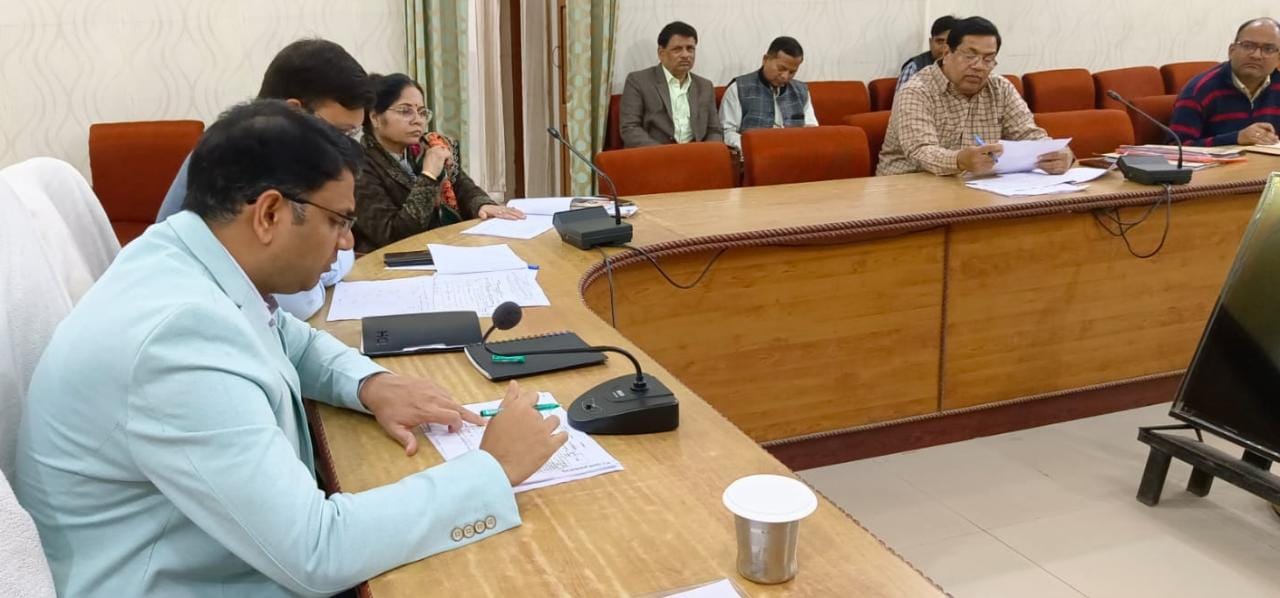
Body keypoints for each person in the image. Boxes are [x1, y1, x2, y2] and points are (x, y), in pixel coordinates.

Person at [14, 100, 567, 598]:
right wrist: (493, 469)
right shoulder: (176, 342)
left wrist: (371, 383)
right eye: (338, 221)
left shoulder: (183, 254)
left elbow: (285, 335)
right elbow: (316, 553)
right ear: (270, 213)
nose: (347, 242)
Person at [154, 38, 370, 320]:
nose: (344, 148)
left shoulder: (271, 156)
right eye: (339, 133)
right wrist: (321, 273)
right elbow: (298, 304)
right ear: (295, 111)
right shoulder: (244, 162)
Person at [877, 17, 1072, 177]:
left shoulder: (1001, 88)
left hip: (974, 186)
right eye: (970, 56)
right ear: (946, 53)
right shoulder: (916, 90)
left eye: (988, 59)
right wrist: (960, 160)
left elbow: (1029, 135)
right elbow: (920, 151)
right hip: (909, 185)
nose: (978, 66)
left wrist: (1061, 154)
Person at [354, 73, 523, 253]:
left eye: (422, 112)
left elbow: (462, 186)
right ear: (375, 118)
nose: (418, 120)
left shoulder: (428, 146)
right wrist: (428, 176)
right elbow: (393, 236)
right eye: (405, 111)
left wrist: (482, 205)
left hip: (444, 247)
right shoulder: (358, 165)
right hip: (392, 261)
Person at [1170, 18, 1280, 147]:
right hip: (1218, 161)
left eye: (1268, 49)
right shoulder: (1199, 90)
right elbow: (1176, 147)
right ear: (1231, 50)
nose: (1256, 55)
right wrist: (1235, 138)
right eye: (1248, 46)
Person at [619, 21, 723, 147]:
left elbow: (714, 130)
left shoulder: (705, 86)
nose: (685, 55)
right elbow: (630, 128)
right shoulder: (638, 81)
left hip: (695, 154)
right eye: (677, 49)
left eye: (690, 49)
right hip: (654, 154)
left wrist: (706, 152)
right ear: (661, 53)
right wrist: (666, 155)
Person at [720, 36, 818, 153]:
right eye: (781, 68)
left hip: (794, 155)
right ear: (765, 59)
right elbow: (727, 131)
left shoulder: (801, 91)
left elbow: (812, 129)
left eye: (792, 72)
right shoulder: (738, 88)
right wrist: (752, 146)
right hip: (755, 154)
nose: (785, 76)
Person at [898, 15, 957, 87]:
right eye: (940, 41)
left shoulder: (963, 67)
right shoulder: (915, 67)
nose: (945, 47)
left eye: (950, 42)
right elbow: (904, 94)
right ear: (930, 42)